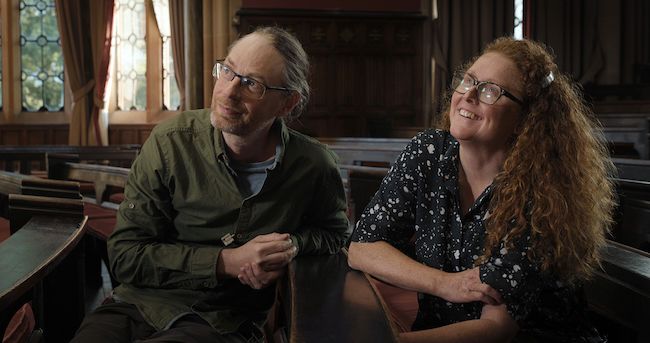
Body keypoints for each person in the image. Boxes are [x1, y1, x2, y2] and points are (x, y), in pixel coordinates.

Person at [72, 26, 350, 343]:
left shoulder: (314, 165)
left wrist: (292, 246)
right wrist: (226, 262)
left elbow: (335, 233)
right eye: (228, 71)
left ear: (287, 104)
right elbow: (124, 256)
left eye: (251, 84)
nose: (228, 91)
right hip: (138, 304)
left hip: (225, 321)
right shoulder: (170, 142)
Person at [348, 37, 616, 343]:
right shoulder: (427, 153)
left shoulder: (542, 192)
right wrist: (445, 284)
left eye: (491, 90)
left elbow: (495, 329)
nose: (468, 95)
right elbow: (361, 248)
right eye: (469, 80)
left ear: (525, 120)